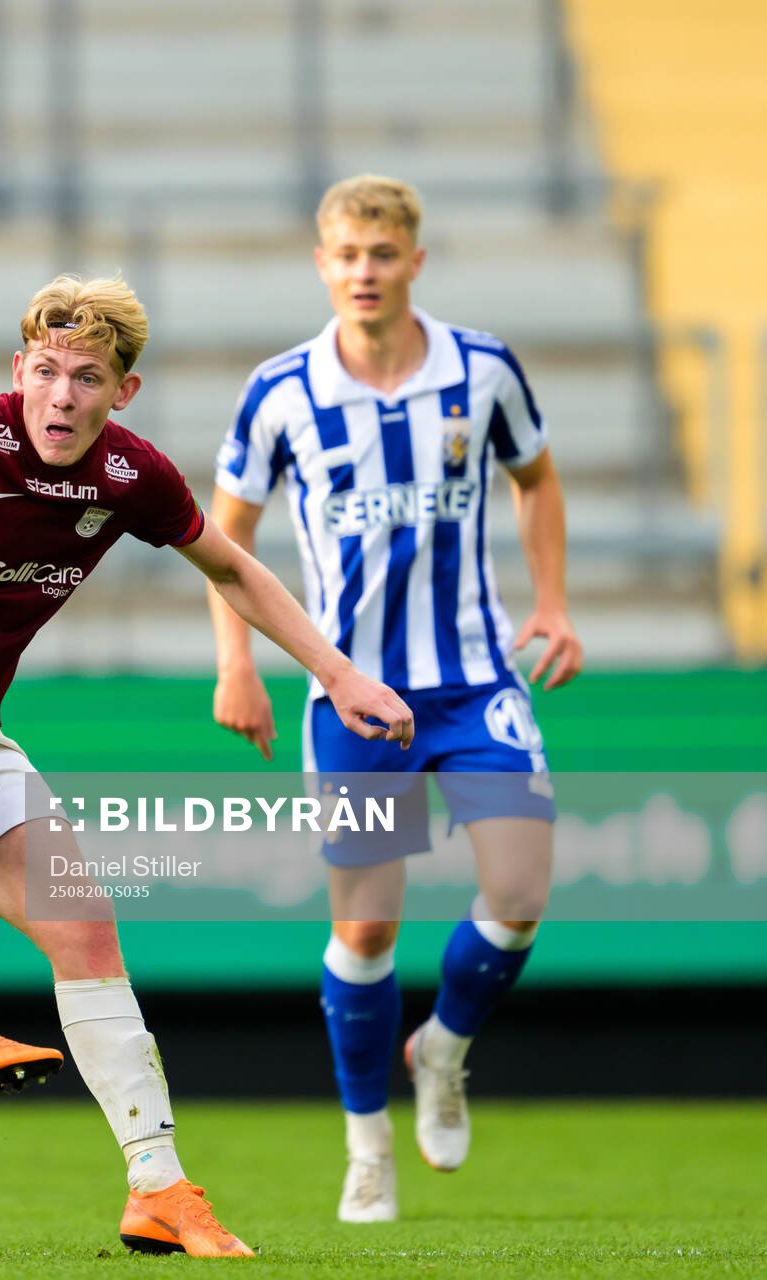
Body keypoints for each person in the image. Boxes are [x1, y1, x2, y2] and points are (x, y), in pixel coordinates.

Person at [0, 274, 415, 1257]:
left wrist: (339, 673)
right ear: (19, 369)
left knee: (84, 923)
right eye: (47, 372)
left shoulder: (128, 477)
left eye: (88, 378)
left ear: (122, 392)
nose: (61, 396)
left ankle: (159, 1187)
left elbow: (230, 566)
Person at [206, 174, 583, 1223]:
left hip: (470, 677)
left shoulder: (481, 369)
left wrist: (550, 599)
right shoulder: (281, 392)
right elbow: (219, 538)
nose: (362, 272)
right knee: (364, 933)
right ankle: (364, 1144)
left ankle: (444, 1048)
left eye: (381, 254)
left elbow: (536, 478)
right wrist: (235, 662)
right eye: (344, 256)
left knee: (517, 891)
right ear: (319, 264)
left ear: (415, 259)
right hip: (354, 697)